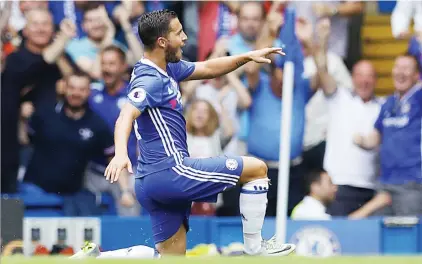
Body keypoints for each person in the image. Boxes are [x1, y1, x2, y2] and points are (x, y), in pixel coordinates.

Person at [72, 9, 295, 258]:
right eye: (179, 33)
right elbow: (126, 114)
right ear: (162, 42)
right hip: (170, 172)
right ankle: (255, 247)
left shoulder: (166, 69)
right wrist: (121, 153)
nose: (186, 37)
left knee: (171, 259)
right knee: (257, 169)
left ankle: (98, 258)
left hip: (151, 180)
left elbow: (209, 67)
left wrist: (248, 56)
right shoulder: (149, 80)